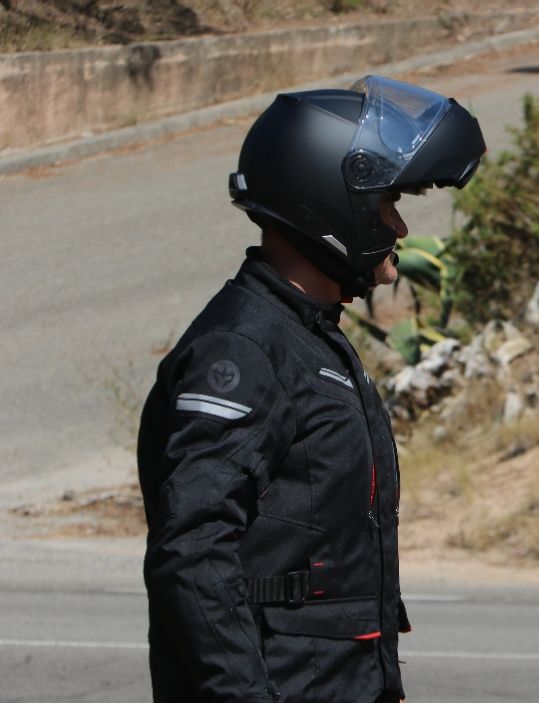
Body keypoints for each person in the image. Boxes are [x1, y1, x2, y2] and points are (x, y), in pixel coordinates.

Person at [136, 76, 485, 703]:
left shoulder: (309, 336)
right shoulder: (242, 351)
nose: (400, 228)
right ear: (327, 204)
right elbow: (191, 553)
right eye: (385, 206)